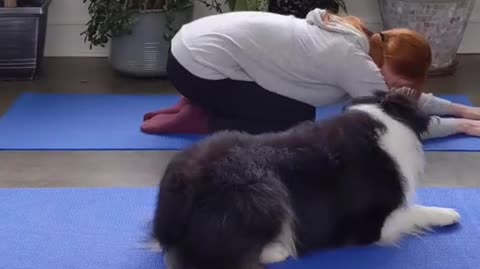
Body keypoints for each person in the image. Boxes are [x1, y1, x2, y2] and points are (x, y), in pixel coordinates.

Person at [141, 9, 480, 138]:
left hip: (187, 51)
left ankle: (198, 103)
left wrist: (463, 110)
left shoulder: (358, 35)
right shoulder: (357, 66)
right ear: (392, 66)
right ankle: (201, 118)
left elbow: (406, 98)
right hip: (198, 69)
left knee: (294, 109)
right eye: (401, 81)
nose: (398, 89)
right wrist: (463, 127)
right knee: (295, 120)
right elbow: (398, 119)